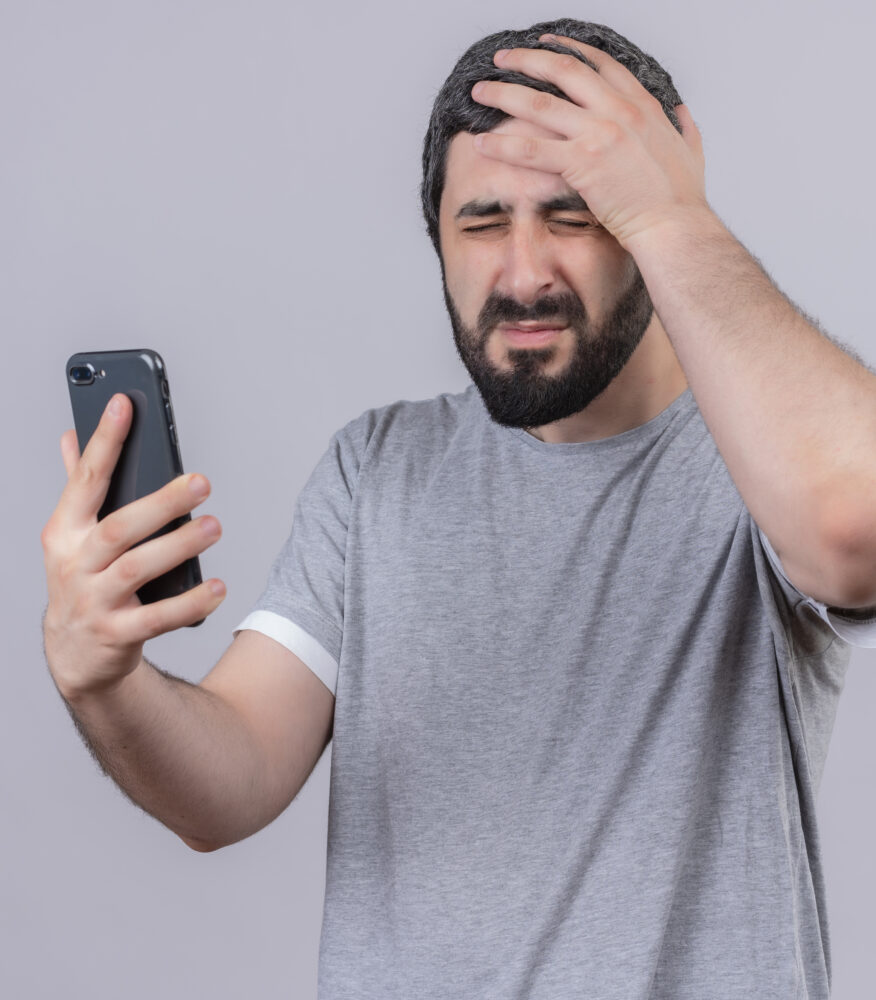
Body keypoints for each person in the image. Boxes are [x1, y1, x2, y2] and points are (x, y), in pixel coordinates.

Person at [41, 17, 876, 1000]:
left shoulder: (757, 458)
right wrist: (102, 678)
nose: (522, 275)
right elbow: (227, 782)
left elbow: (853, 528)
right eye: (481, 224)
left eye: (577, 216)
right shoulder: (376, 469)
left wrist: (675, 218)